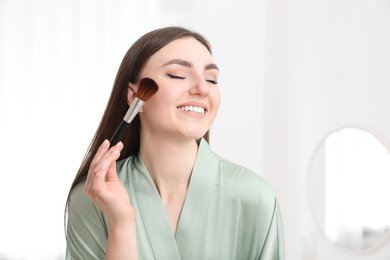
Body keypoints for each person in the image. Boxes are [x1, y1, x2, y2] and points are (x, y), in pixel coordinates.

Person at [65, 26, 284, 260]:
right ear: (134, 96)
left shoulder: (255, 198)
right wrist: (121, 224)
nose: (202, 88)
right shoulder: (94, 198)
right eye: (177, 75)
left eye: (212, 79)